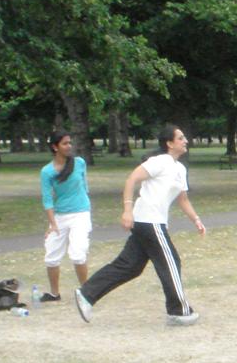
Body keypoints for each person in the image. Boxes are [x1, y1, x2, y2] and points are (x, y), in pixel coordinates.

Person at [74, 125, 205, 326]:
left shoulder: (180, 169)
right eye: (180, 138)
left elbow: (183, 199)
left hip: (153, 222)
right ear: (169, 143)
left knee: (130, 266)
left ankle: (86, 294)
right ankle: (179, 311)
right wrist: (127, 210)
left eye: (184, 137)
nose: (185, 140)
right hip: (148, 220)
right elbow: (131, 179)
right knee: (171, 262)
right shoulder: (159, 161)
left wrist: (196, 220)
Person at [39, 130, 91, 302]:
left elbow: (85, 186)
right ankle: (54, 293)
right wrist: (52, 224)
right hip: (60, 216)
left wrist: (85, 204)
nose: (69, 146)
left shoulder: (79, 163)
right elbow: (47, 200)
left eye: (70, 143)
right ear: (55, 147)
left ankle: (87, 293)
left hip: (80, 214)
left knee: (77, 253)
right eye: (65, 143)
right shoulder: (47, 172)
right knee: (51, 256)